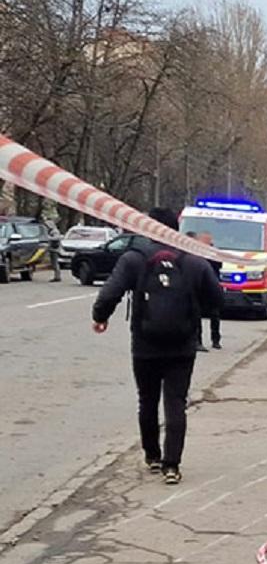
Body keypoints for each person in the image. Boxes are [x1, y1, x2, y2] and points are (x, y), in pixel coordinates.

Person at [92, 207, 222, 485]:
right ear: (175, 227)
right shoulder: (194, 260)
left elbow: (110, 292)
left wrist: (99, 318)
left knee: (147, 400)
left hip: (145, 342)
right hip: (182, 343)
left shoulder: (134, 259)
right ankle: (171, 466)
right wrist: (197, 310)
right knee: (176, 402)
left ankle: (152, 455)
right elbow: (216, 297)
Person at [187, 232, 223, 351]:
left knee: (215, 314)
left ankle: (216, 339)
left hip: (212, 286)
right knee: (197, 314)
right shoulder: (196, 252)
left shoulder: (214, 252)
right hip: (199, 286)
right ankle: (198, 341)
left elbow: (219, 265)